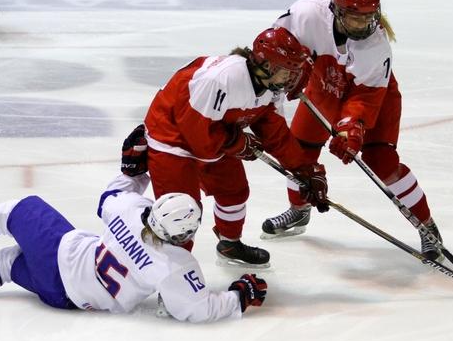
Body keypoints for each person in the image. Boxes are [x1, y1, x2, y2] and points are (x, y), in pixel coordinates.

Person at [0, 156, 269, 323]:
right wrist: (239, 295)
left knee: (21, 209)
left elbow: (110, 195)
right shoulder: (176, 265)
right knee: (8, 262)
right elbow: (195, 308)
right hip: (65, 299)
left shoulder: (129, 210)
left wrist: (135, 167)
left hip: (62, 257)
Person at [261, 0, 443, 259]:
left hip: (373, 97)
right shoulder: (306, 15)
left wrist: (351, 127)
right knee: (296, 152)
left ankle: (427, 227)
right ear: (336, 10)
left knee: (382, 163)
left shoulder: (376, 45)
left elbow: (366, 97)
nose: (364, 25)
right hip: (325, 85)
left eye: (369, 17)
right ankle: (299, 210)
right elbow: (275, 48)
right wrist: (291, 74)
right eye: (356, 18)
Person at [141, 26, 330, 268]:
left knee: (234, 190)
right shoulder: (220, 79)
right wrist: (237, 143)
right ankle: (171, 281)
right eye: (288, 71)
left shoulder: (269, 86)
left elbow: (275, 133)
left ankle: (230, 244)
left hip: (214, 134)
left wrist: (304, 169)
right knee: (181, 214)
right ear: (267, 65)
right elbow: (198, 136)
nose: (291, 79)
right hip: (171, 138)